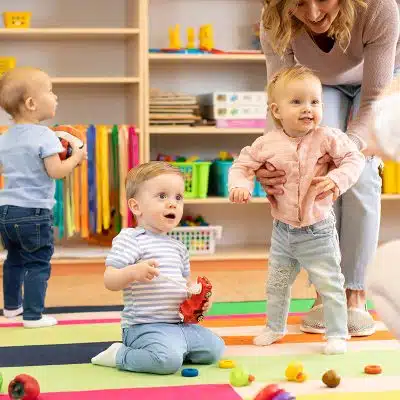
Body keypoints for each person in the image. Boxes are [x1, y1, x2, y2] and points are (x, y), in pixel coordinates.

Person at [256, 0, 400, 337]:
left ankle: (354, 294)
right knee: (314, 170)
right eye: (300, 3)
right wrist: (273, 156)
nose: (315, 12)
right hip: (317, 87)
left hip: (378, 85)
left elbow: (374, 98)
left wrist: (349, 153)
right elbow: (281, 98)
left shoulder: (379, 7)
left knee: (361, 175)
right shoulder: (274, 18)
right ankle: (325, 288)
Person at [228, 65, 365, 354]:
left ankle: (337, 334)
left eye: (315, 102)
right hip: (283, 232)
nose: (308, 109)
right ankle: (274, 327)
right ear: (276, 111)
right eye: (297, 102)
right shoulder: (266, 143)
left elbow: (354, 159)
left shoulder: (328, 137)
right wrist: (239, 184)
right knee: (276, 284)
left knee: (330, 285)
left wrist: (335, 178)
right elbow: (242, 165)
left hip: (319, 231)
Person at [91, 161, 225, 374]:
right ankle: (119, 355)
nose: (172, 204)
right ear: (136, 207)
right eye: (162, 196)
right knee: (167, 362)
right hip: (144, 327)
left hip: (179, 325)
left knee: (216, 349)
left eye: (178, 197)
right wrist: (133, 272)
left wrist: (199, 300)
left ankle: (173, 348)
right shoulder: (131, 239)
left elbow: (186, 287)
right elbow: (110, 279)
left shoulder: (179, 247)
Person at [0, 67, 87, 328]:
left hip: (6, 210)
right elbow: (56, 171)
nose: (55, 96)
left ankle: (11, 307)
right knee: (37, 262)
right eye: (50, 91)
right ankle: (34, 315)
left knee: (13, 259)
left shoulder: (5, 136)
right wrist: (76, 157)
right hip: (34, 211)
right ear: (31, 103)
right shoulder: (45, 135)